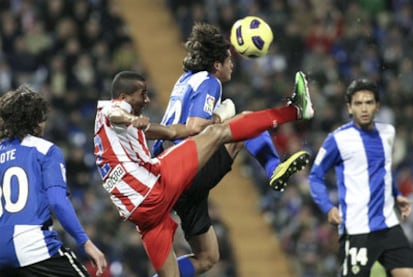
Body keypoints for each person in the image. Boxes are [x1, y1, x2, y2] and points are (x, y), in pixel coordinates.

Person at [93, 70, 314, 277]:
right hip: (155, 186)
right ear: (124, 97)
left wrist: (216, 117)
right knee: (219, 134)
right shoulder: (111, 111)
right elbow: (116, 114)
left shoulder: (120, 133)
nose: (147, 100)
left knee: (199, 262)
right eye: (143, 95)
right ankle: (293, 111)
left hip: (142, 215)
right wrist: (131, 119)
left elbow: (174, 131)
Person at [151, 22, 311, 274]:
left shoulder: (185, 80)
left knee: (207, 257)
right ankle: (275, 162)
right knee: (244, 123)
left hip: (167, 176)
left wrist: (219, 116)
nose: (232, 64)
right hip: (185, 169)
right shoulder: (209, 82)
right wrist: (219, 118)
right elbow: (193, 126)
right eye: (228, 60)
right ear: (217, 65)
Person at [308, 78, 413, 277]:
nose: (364, 108)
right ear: (349, 108)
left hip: (389, 225)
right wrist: (328, 207)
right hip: (357, 229)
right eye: (358, 103)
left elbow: (384, 168)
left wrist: (396, 194)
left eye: (369, 102)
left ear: (378, 106)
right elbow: (315, 177)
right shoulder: (337, 139)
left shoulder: (388, 132)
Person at [0, 85, 107, 276]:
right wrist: (86, 242)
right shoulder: (45, 150)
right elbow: (57, 201)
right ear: (36, 121)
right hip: (33, 247)